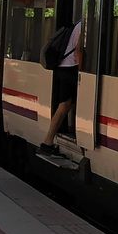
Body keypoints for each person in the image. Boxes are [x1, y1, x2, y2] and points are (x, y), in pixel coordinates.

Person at [38, 17, 82, 155]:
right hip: (70, 68)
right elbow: (78, 51)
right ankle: (47, 142)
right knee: (65, 104)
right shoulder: (84, 26)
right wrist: (83, 73)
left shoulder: (78, 24)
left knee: (66, 104)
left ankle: (48, 141)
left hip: (63, 67)